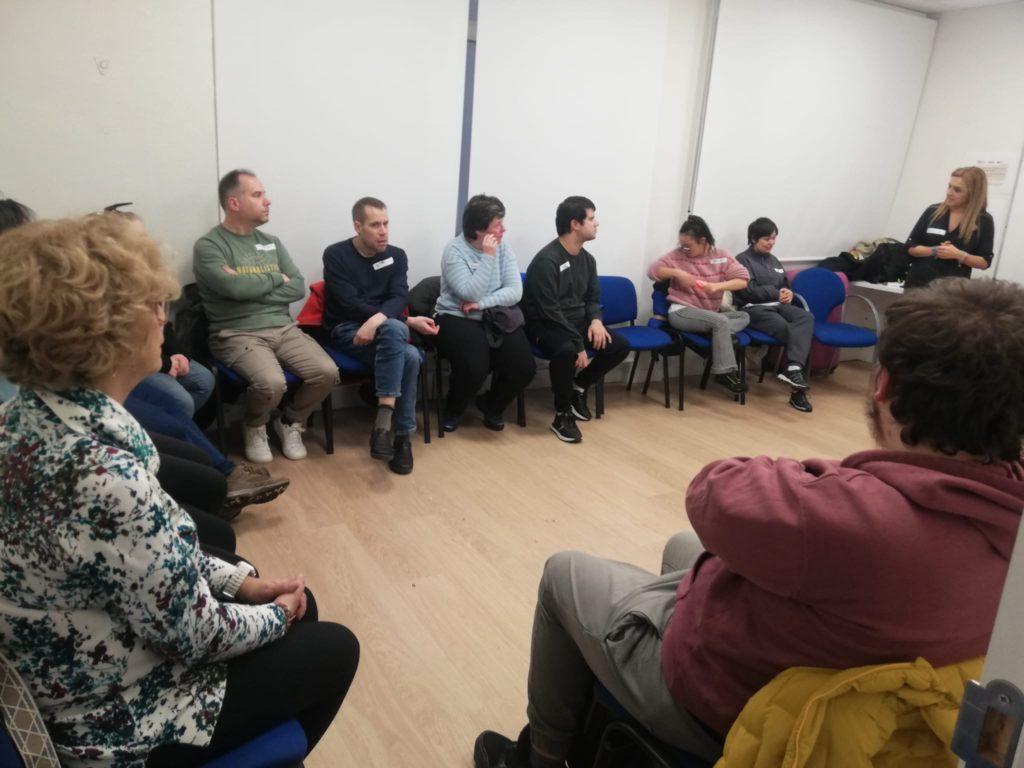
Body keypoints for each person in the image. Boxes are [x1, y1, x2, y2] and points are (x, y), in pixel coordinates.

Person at [473, 276, 1024, 768]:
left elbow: (713, 488)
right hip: (849, 669)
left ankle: (539, 756)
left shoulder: (843, 515)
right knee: (682, 545)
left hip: (732, 705)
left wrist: (844, 475)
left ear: (884, 386)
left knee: (563, 572)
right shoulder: (1008, 525)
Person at [0, 214, 359, 767]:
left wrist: (241, 584)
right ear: (108, 331)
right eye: (154, 304)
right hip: (109, 718)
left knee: (253, 579)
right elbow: (195, 636)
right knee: (332, 645)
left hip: (60, 663)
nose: (164, 317)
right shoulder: (105, 476)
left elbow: (149, 554)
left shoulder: (21, 418)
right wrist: (278, 613)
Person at [194, 169, 339, 463]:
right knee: (272, 383)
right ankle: (254, 425)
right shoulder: (210, 246)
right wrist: (275, 278)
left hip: (283, 328)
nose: (267, 201)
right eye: (258, 195)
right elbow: (232, 288)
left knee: (327, 373)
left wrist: (247, 288)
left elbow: (297, 286)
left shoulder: (272, 242)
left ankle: (289, 421)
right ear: (234, 203)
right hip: (236, 333)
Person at [322, 197, 437, 474]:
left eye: (386, 223)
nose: (383, 231)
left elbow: (399, 296)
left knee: (405, 348)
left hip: (385, 328)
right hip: (348, 329)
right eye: (375, 225)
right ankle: (400, 434)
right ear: (358, 226)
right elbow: (348, 303)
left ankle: (390, 432)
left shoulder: (397, 255)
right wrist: (393, 319)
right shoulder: (336, 255)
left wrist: (379, 320)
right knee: (406, 348)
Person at [522, 197, 629, 443]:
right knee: (566, 351)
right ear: (575, 224)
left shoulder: (588, 260)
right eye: (591, 219)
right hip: (546, 325)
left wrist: (596, 321)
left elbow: (592, 298)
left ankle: (578, 386)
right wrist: (578, 344)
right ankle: (562, 415)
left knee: (619, 345)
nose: (596, 223)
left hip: (577, 322)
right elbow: (549, 311)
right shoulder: (547, 261)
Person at [436, 195, 536, 432]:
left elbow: (515, 291)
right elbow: (469, 292)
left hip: (495, 315)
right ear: (479, 230)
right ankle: (453, 408)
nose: (503, 230)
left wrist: (483, 304)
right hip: (457, 316)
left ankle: (491, 405)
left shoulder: (504, 247)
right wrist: (488, 257)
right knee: (475, 367)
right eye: (497, 225)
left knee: (524, 367)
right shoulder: (454, 251)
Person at [647, 215, 750, 395]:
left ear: (703, 241)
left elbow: (743, 279)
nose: (684, 249)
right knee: (720, 322)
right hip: (682, 312)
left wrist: (717, 287)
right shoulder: (677, 256)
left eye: (688, 245)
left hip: (709, 314)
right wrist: (677, 273)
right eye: (682, 245)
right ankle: (724, 372)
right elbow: (653, 271)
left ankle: (717, 333)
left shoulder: (722, 256)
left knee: (744, 316)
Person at [734, 217, 815, 413]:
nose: (771, 242)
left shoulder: (774, 260)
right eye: (767, 239)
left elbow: (784, 285)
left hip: (779, 305)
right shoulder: (742, 260)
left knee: (806, 318)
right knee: (794, 333)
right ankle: (798, 392)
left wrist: (788, 293)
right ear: (754, 239)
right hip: (754, 308)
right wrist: (775, 292)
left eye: (774, 238)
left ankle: (793, 369)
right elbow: (748, 290)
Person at [905, 166, 994, 289]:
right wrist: (934, 250)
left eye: (957, 190)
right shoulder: (933, 210)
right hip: (917, 285)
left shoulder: (984, 220)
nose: (949, 193)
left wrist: (960, 255)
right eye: (949, 186)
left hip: (953, 291)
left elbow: (985, 262)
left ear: (973, 194)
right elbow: (910, 246)